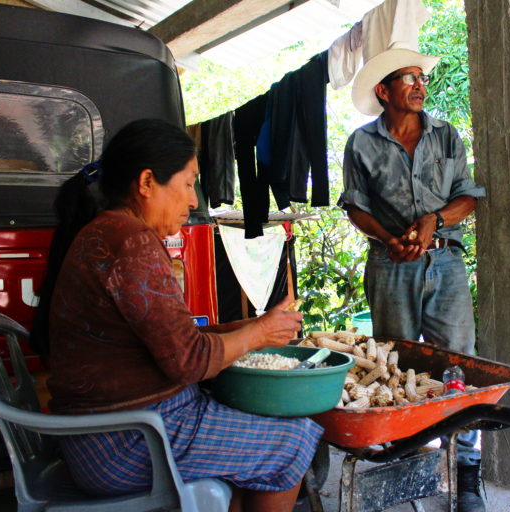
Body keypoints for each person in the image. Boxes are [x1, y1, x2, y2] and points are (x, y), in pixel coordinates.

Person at [30, 119, 321, 512]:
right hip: (125, 441)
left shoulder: (107, 231)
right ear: (147, 182)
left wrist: (255, 325)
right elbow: (189, 360)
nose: (193, 201)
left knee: (249, 435)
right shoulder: (131, 242)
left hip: (103, 434)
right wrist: (259, 336)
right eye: (188, 183)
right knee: (293, 441)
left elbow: (174, 337)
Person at [339, 43, 487, 512]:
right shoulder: (361, 143)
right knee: (394, 368)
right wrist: (389, 240)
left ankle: (466, 476)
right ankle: (403, 464)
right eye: (409, 78)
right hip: (389, 265)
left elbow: (468, 196)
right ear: (384, 91)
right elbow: (355, 206)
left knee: (459, 366)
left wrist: (433, 223)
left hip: (445, 261)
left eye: (422, 78)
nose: (421, 85)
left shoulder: (446, 136)